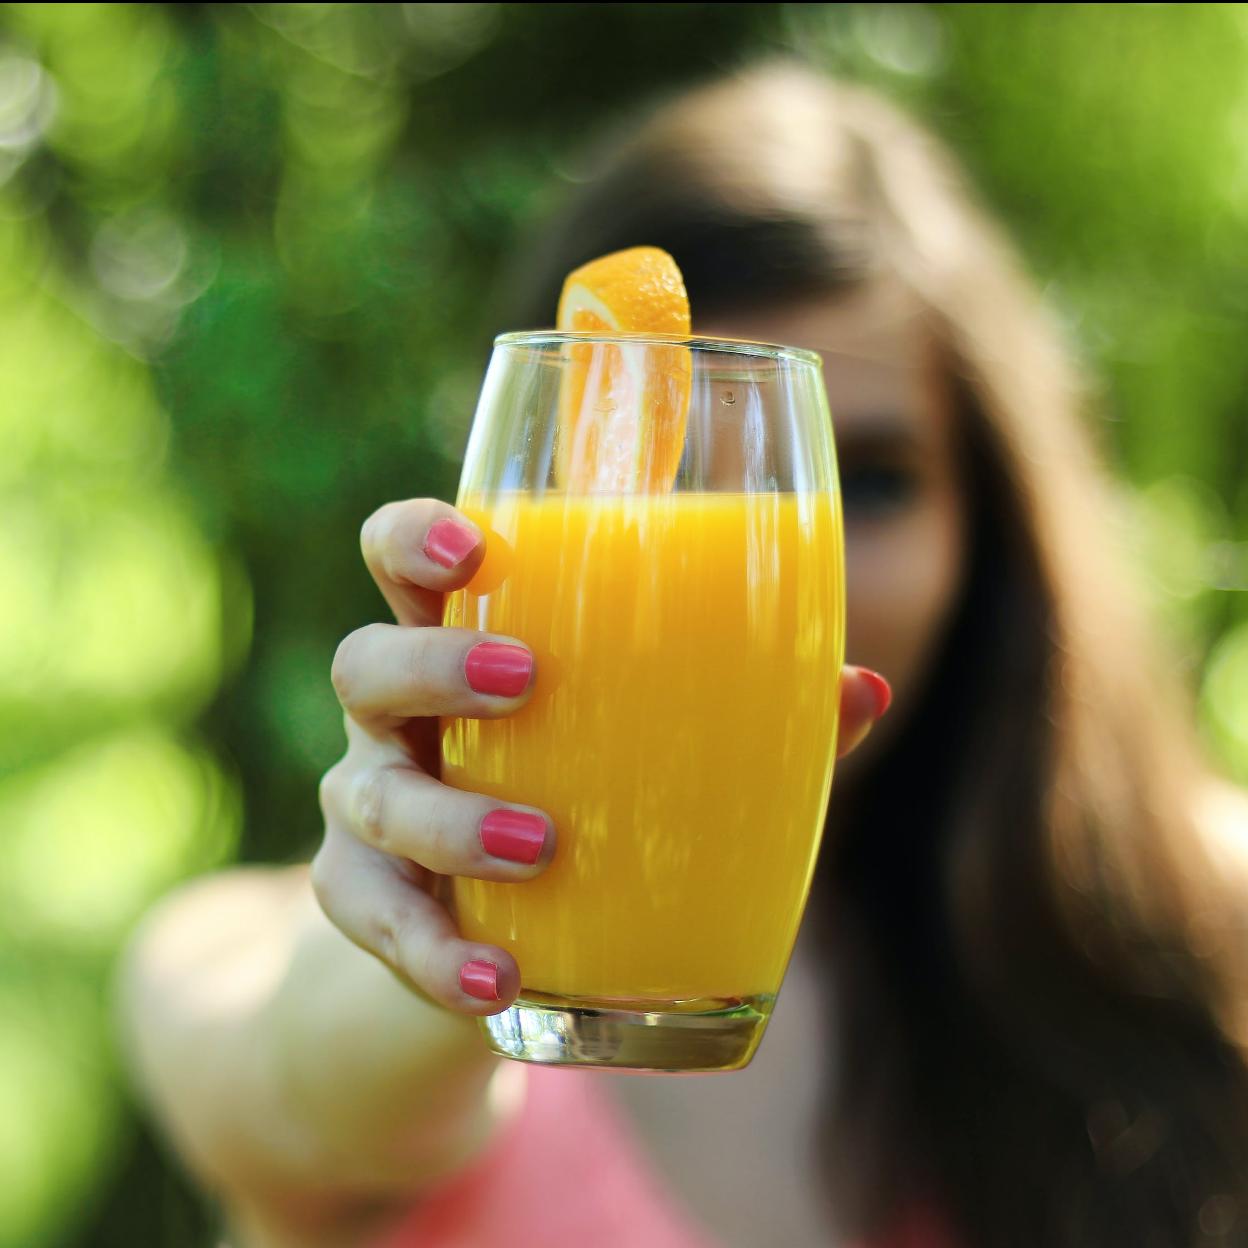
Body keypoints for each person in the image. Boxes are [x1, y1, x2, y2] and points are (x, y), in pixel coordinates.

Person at [119, 63, 1248, 1248]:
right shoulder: (231, 954)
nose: (782, 564)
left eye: (868, 481)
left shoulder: (1207, 925)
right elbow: (294, 1100)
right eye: (670, 471)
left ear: (989, 529)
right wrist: (442, 957)